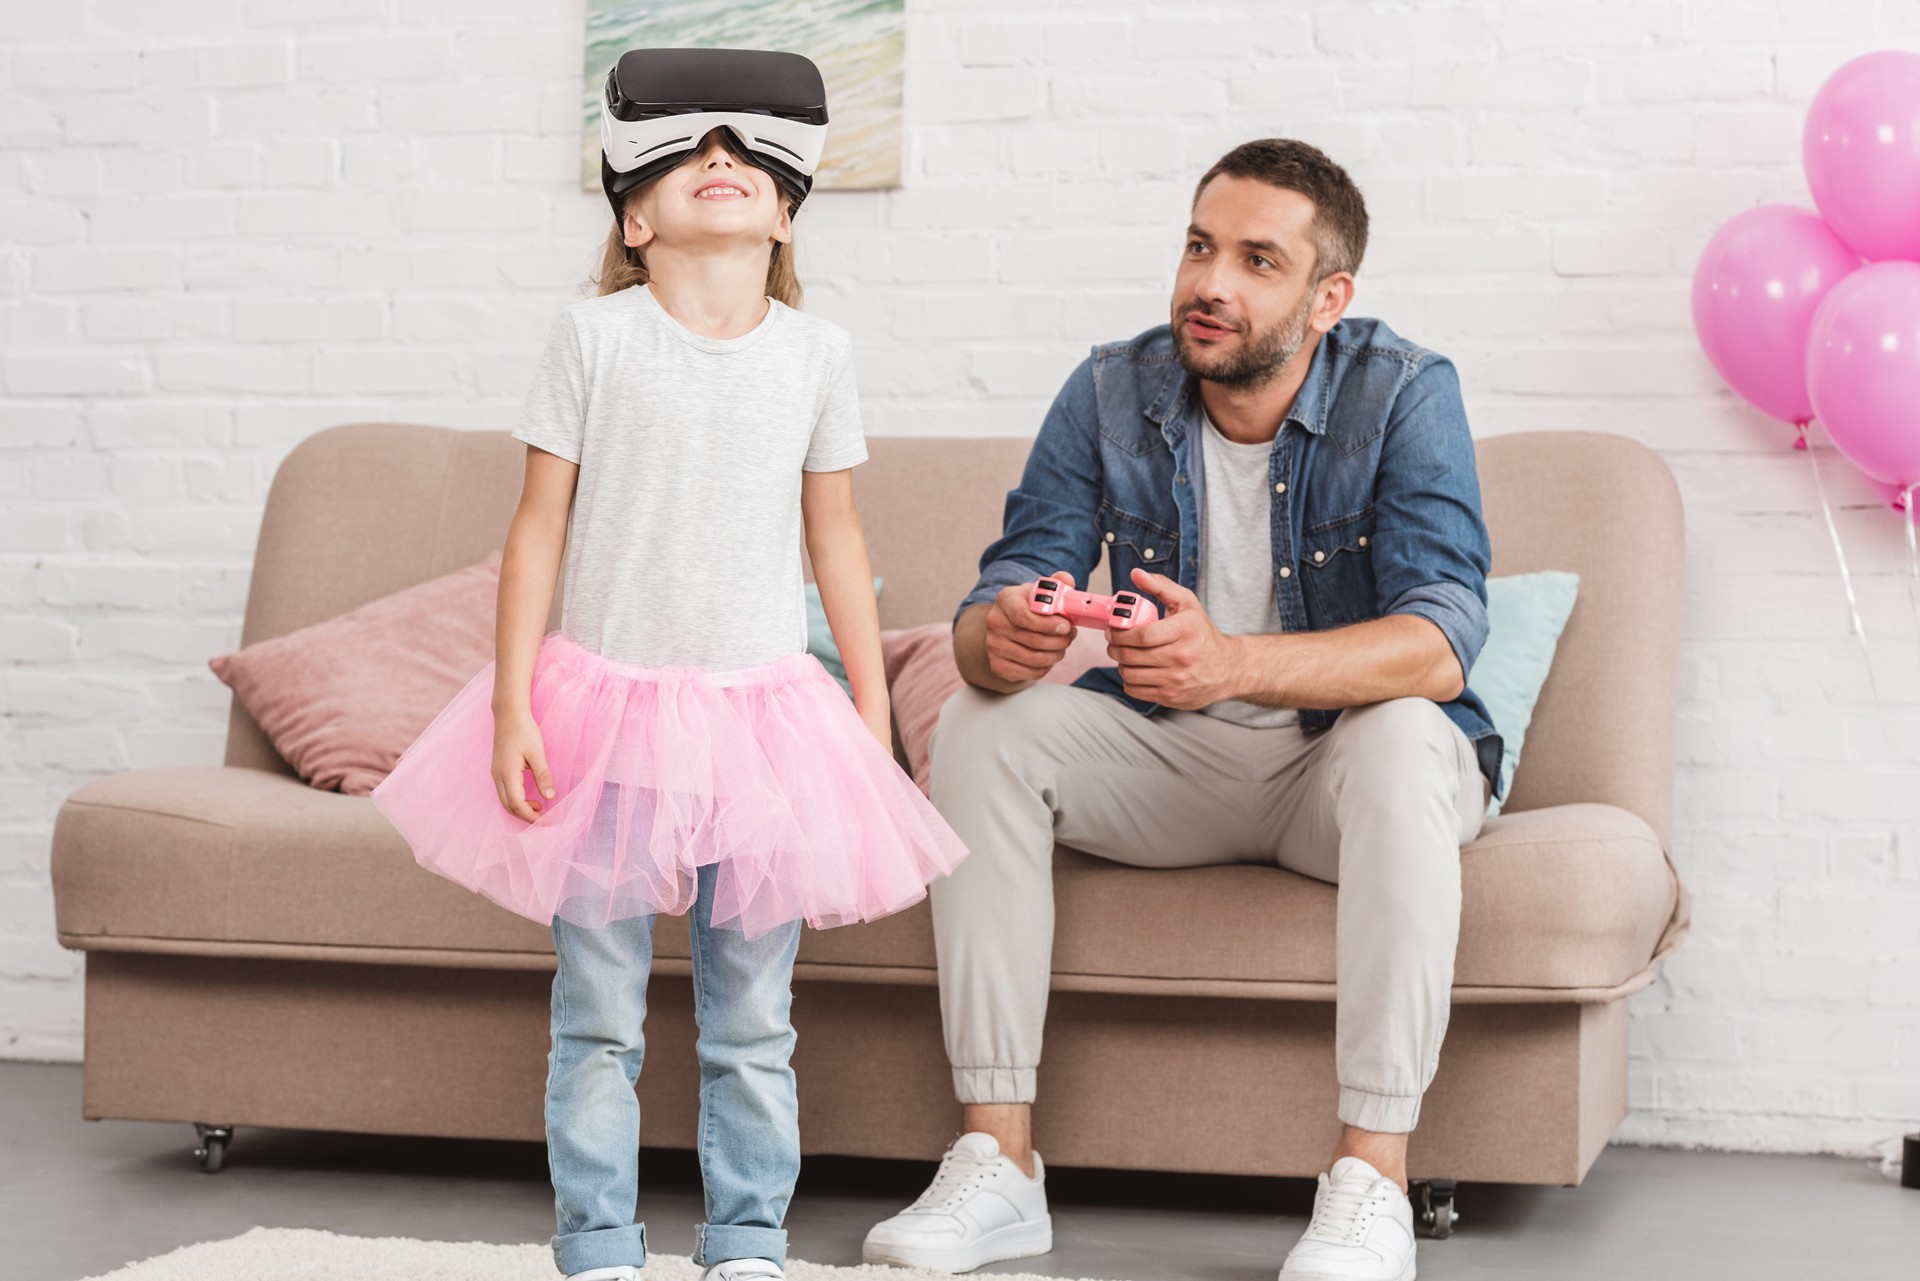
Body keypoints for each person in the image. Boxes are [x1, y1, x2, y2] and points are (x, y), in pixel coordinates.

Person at [862, 139, 1500, 1281]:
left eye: (1259, 259)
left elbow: (1441, 642)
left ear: (1328, 296)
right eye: (1201, 246)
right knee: (984, 722)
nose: (1212, 282)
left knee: (1408, 728)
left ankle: (1370, 1180)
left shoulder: (1402, 391)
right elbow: (991, 602)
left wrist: (1235, 665)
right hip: (1172, 766)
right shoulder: (1113, 388)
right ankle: (997, 1164)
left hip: (1339, 775)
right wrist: (999, 639)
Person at [369, 85, 968, 1281]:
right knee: (596, 1016)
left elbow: (835, 538)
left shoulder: (816, 353)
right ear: (634, 220)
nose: (719, 160)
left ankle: (747, 1240)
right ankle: (597, 1242)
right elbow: (538, 529)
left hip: (762, 720)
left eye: (746, 154)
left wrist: (865, 700)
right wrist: (510, 701)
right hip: (604, 714)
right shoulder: (594, 337)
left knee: (751, 1021)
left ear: (786, 218)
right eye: (686, 154)